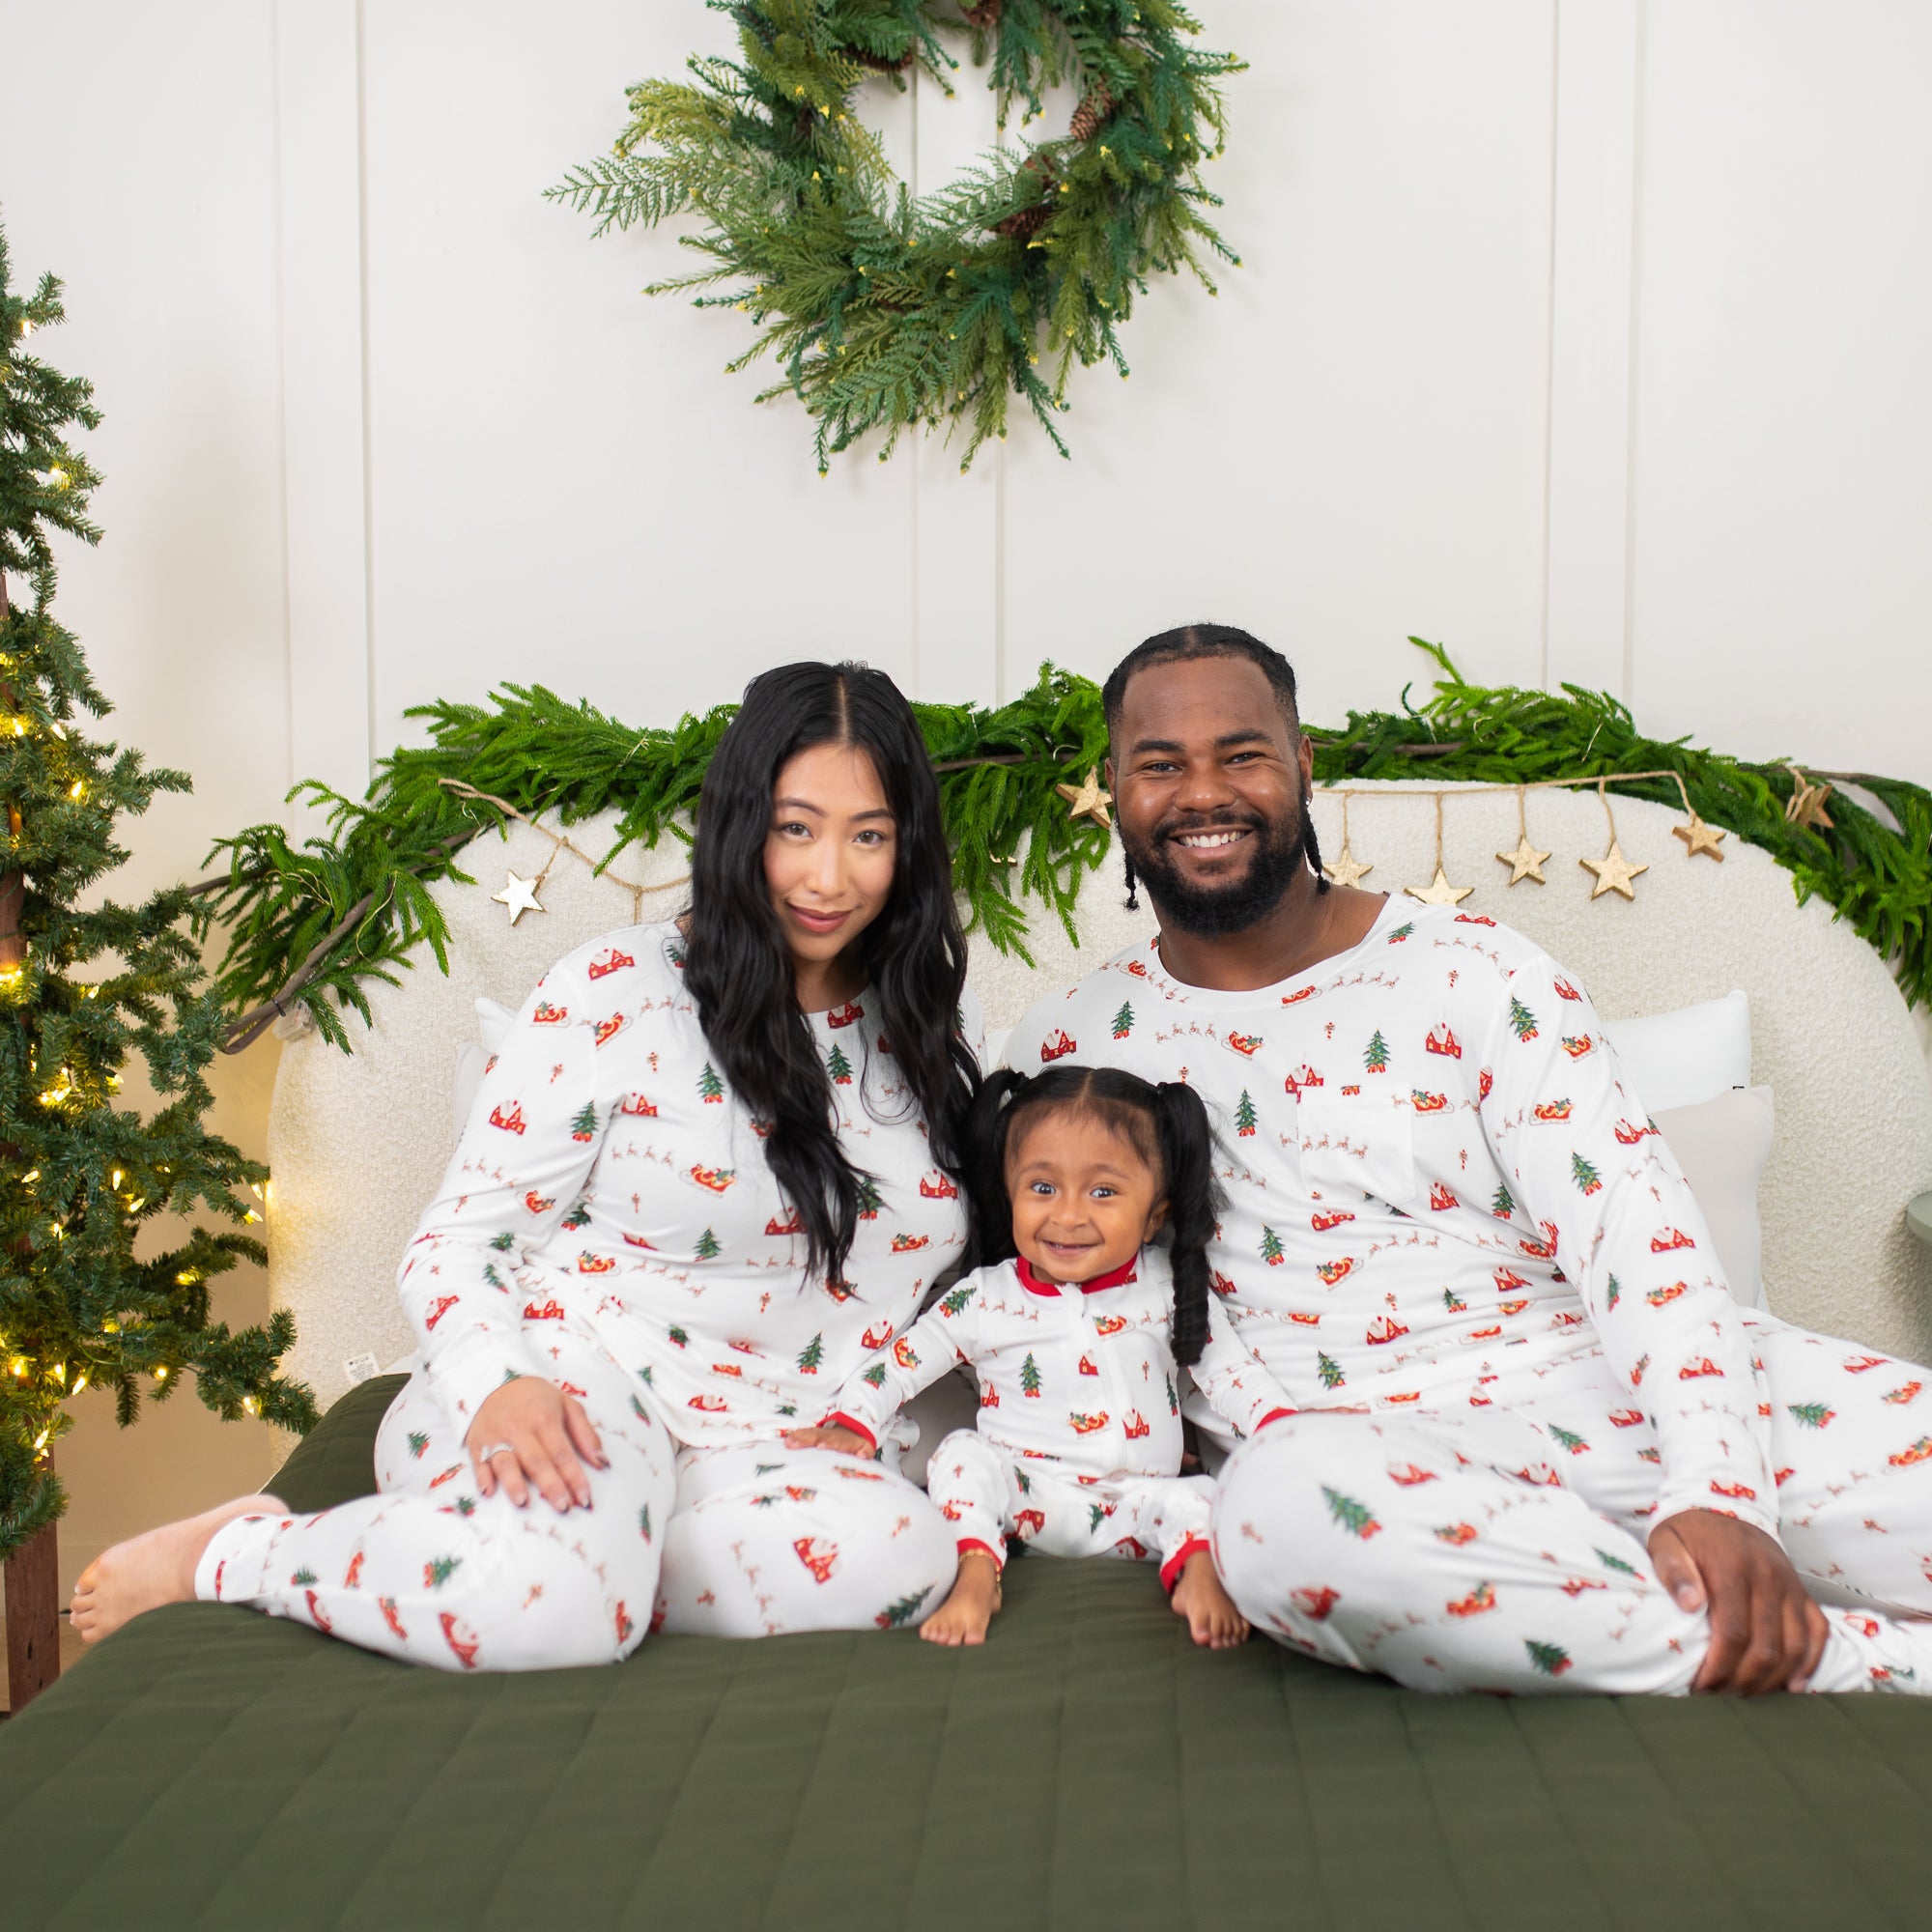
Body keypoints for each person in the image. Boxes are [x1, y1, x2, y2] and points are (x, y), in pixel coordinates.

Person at [1005, 621, 1932, 1697]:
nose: (1202, 790)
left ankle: (1617, 1597)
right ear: (1112, 788)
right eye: (1159, 763)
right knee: (1276, 1520)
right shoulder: (1066, 1045)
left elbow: (1636, 1234)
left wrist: (1716, 1489)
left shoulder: (1477, 970)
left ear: (1302, 767)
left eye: (1241, 753)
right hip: (1375, 1468)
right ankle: (1853, 1662)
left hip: (1627, 1394)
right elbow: (1056, 1302)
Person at [72, 662, 980, 1666]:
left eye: (869, 834)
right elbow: (456, 1242)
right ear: (737, 826)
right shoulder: (616, 987)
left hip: (767, 1440)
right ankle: (248, 1550)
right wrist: (500, 1382)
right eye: (795, 827)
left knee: (903, 1552)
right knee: (559, 1602)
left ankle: (579, 1577)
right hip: (575, 1374)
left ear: (908, 845)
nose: (828, 876)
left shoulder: (921, 1020)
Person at [797, 1065, 1276, 1648]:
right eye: (1042, 1188)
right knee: (961, 1456)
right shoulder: (986, 1298)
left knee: (1200, 1495)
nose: (1068, 1216)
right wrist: (854, 1420)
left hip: (1140, 1505)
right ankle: (976, 1566)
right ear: (1009, 1192)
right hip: (1024, 1500)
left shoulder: (1169, 1288)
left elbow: (1229, 1373)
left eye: (1103, 1192)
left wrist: (1286, 1431)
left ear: (1156, 1213)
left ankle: (1197, 1570)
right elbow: (901, 1362)